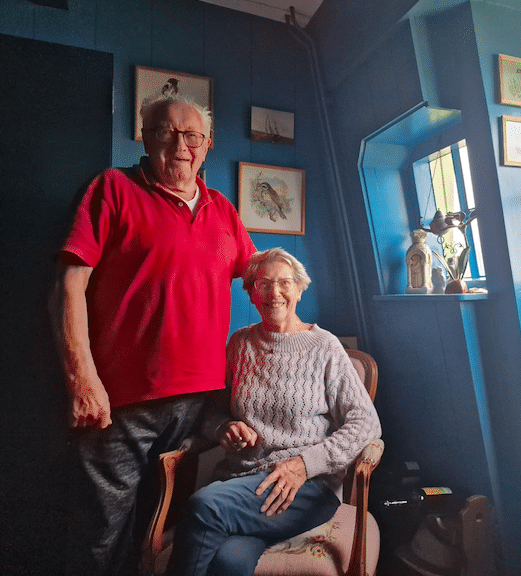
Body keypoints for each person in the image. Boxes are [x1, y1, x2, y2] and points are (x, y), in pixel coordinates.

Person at [49, 95, 256, 576]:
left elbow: (262, 278)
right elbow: (67, 285)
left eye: (192, 136)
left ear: (206, 147)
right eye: (166, 132)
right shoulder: (113, 188)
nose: (180, 145)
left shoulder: (223, 210)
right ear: (145, 137)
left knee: (161, 532)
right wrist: (81, 379)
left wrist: (306, 336)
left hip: (200, 406)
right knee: (99, 536)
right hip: (120, 404)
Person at [168, 248, 382, 576]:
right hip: (242, 481)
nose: (274, 293)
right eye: (263, 284)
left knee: (204, 505)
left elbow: (365, 423)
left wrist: (304, 465)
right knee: (229, 560)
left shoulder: (325, 347)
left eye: (284, 283)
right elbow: (213, 412)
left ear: (299, 289)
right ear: (252, 293)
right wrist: (224, 427)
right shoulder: (239, 344)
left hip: (306, 489)